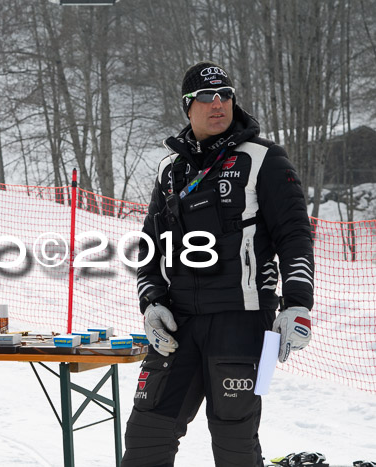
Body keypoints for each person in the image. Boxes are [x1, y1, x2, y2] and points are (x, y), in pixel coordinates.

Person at [122, 61, 314, 466]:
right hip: (180, 323)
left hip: (243, 321)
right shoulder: (169, 169)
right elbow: (150, 245)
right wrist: (152, 304)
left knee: (235, 443)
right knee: (145, 437)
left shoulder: (265, 158)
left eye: (225, 95)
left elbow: (295, 234)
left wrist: (297, 303)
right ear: (187, 107)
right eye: (207, 97)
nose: (218, 105)